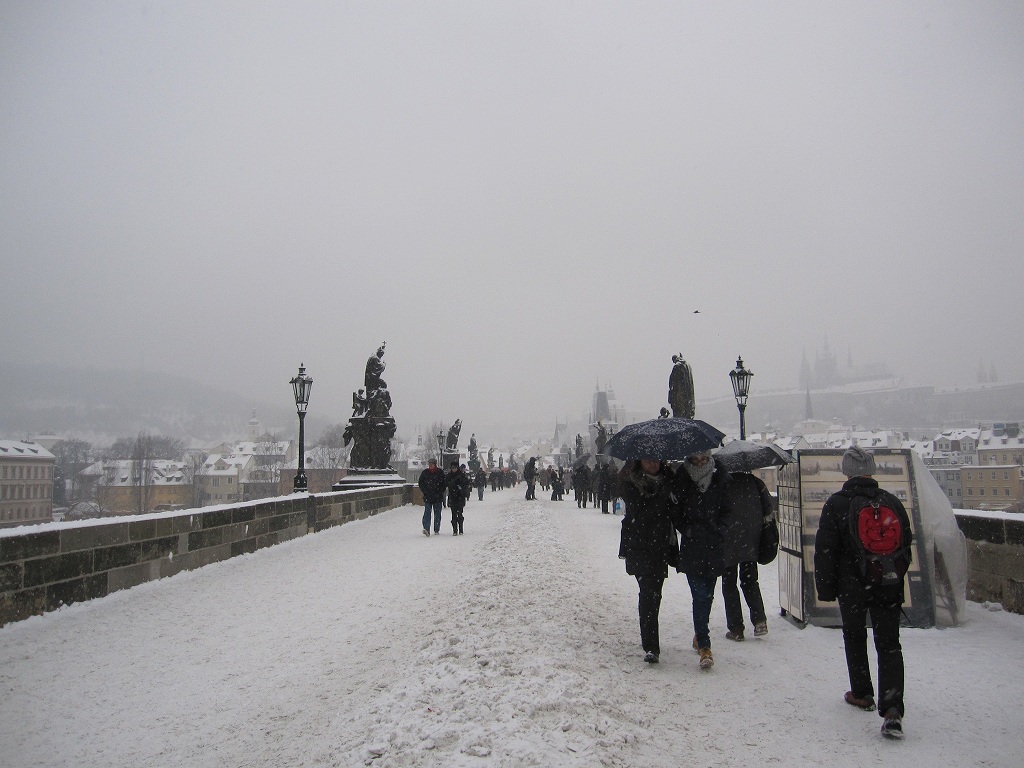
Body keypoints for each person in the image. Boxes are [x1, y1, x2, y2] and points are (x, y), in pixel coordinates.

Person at [814, 446, 911, 739]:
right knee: (889, 644)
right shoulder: (891, 501)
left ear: (847, 471)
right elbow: (905, 543)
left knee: (855, 636)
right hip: (887, 582)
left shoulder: (837, 504)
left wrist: (827, 589)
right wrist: (893, 575)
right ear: (871, 470)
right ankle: (892, 709)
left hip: (852, 585)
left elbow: (825, 550)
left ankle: (862, 693)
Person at [671, 450, 733, 670]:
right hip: (693, 547)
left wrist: (720, 529)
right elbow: (675, 511)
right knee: (699, 595)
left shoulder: (719, 478)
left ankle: (699, 635)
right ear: (689, 460)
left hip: (714, 546)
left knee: (708, 595)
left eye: (703, 459)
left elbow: (727, 510)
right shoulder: (682, 479)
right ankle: (705, 646)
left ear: (709, 459)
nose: (699, 462)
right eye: (695, 459)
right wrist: (687, 529)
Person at [618, 459, 679, 664]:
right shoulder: (632, 483)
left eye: (655, 459)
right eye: (647, 459)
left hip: (661, 546)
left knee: (655, 594)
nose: (652, 463)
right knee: (648, 593)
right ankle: (651, 645)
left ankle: (650, 636)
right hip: (640, 545)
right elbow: (640, 512)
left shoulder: (670, 480)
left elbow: (676, 511)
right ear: (640, 462)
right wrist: (662, 499)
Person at [721, 470, 773, 641]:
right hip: (751, 540)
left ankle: (736, 628)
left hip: (728, 540)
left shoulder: (722, 483)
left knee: (729, 584)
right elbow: (768, 508)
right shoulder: (755, 483)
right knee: (750, 580)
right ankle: (759, 620)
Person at [417, 458, 446, 536]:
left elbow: (444, 484)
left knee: (437, 514)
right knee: (427, 513)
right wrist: (425, 491)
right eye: (429, 464)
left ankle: (436, 529)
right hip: (428, 496)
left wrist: (439, 492)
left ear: (435, 464)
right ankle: (426, 528)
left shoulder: (440, 472)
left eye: (432, 464)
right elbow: (421, 483)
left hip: (437, 497)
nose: (430, 465)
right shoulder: (425, 473)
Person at [445, 461, 470, 535]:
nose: (454, 469)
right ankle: (455, 530)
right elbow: (445, 483)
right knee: (453, 514)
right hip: (452, 496)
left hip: (460, 497)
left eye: (455, 468)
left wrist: (461, 489)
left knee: (459, 513)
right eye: (452, 468)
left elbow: (466, 484)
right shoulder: (449, 476)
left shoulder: (462, 475)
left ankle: (461, 529)